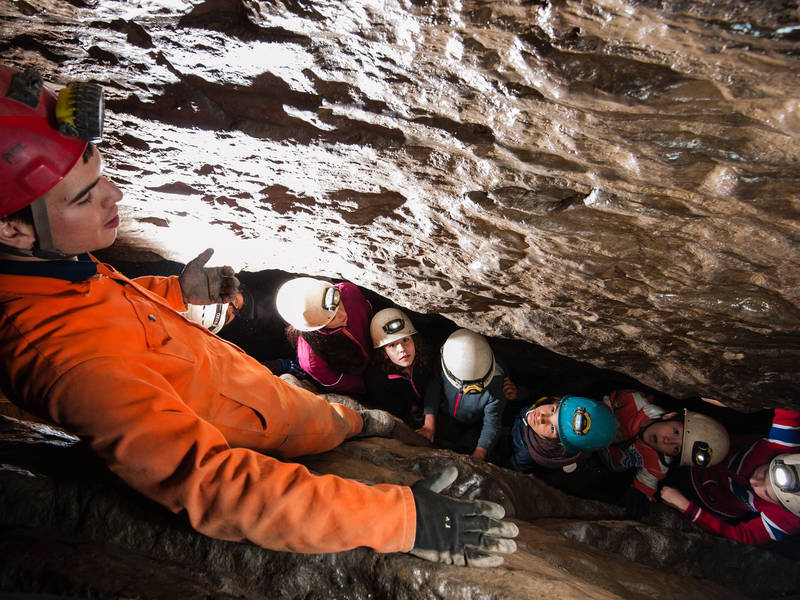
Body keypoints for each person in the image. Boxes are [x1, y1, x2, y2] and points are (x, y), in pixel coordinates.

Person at [0, 65, 517, 565]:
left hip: (266, 396)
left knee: (343, 418)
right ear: (11, 230)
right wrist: (400, 521)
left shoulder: (53, 267)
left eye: (101, 172)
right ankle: (361, 424)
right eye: (86, 195)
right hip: (268, 428)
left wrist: (176, 293)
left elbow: (110, 308)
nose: (116, 194)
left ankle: (363, 424)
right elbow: (217, 487)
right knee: (333, 420)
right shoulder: (71, 363)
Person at [660, 408, 800, 546]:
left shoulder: (789, 518)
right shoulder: (788, 446)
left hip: (701, 495)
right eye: (765, 474)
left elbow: (743, 537)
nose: (753, 481)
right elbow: (787, 405)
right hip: (703, 444)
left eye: (766, 493)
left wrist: (687, 507)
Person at [599, 390, 730, 518]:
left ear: (673, 457)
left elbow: (646, 482)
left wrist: (641, 493)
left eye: (676, 449)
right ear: (670, 416)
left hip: (602, 458)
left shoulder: (659, 463)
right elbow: (600, 403)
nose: (667, 441)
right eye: (675, 432)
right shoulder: (634, 402)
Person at [419, 329, 517, 461]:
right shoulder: (448, 361)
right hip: (445, 413)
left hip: (472, 422)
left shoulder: (497, 385)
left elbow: (492, 422)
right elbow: (434, 387)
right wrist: (429, 424)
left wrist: (480, 452)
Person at [276, 276, 372, 395]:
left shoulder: (348, 291)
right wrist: (371, 386)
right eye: (332, 318)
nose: (343, 314)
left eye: (339, 304)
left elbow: (371, 315)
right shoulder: (312, 360)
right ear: (317, 326)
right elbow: (344, 383)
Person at [509, 394, 618, 473]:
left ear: (558, 444)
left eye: (552, 428)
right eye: (552, 410)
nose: (541, 417)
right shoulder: (547, 400)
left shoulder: (527, 454)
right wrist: (518, 395)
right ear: (558, 401)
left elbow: (511, 470)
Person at [364, 307, 434, 427]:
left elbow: (434, 383)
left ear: (414, 340)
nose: (402, 349)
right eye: (392, 345)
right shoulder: (377, 381)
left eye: (405, 340)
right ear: (383, 353)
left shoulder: (426, 356)